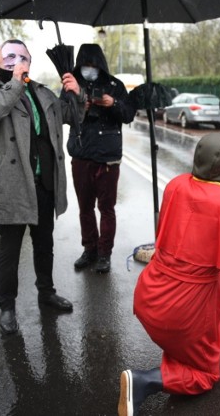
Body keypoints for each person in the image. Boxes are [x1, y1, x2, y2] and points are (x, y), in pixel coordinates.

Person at [118, 133, 220, 416]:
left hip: (151, 294)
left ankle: (180, 357)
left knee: (210, 305)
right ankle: (144, 381)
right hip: (186, 307)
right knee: (206, 375)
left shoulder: (176, 186)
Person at [0, 39, 85, 335]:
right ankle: (7, 307)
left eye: (23, 57)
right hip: (11, 186)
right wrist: (14, 84)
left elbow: (72, 117)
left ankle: (46, 293)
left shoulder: (43, 92)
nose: (17, 60)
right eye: (10, 56)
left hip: (44, 182)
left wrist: (76, 94)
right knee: (9, 251)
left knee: (44, 244)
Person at [67, 44, 136, 274]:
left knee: (106, 208)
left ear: (101, 64)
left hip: (107, 158)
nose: (89, 70)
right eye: (85, 65)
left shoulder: (115, 86)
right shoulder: (71, 85)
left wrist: (112, 103)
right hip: (81, 154)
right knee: (84, 208)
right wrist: (81, 106)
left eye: (94, 65)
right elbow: (62, 115)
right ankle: (90, 249)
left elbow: (128, 114)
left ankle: (104, 254)